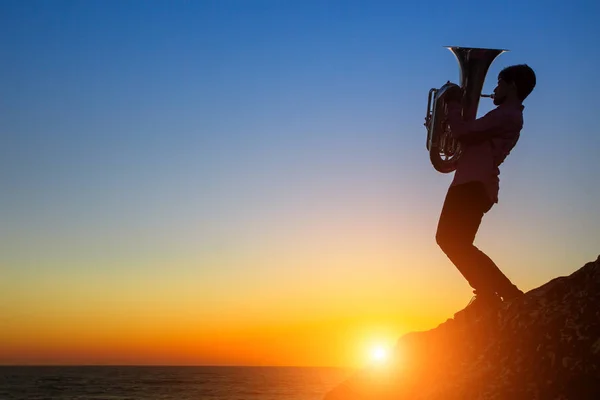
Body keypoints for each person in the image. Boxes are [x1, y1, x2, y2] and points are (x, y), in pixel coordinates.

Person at [431, 64, 537, 321]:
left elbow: (463, 132)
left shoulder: (508, 114)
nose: (494, 89)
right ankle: (494, 293)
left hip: (473, 185)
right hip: (472, 182)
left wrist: (453, 107)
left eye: (499, 83)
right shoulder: (505, 115)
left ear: (511, 86)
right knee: (454, 242)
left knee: (451, 241)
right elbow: (468, 146)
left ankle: (500, 293)